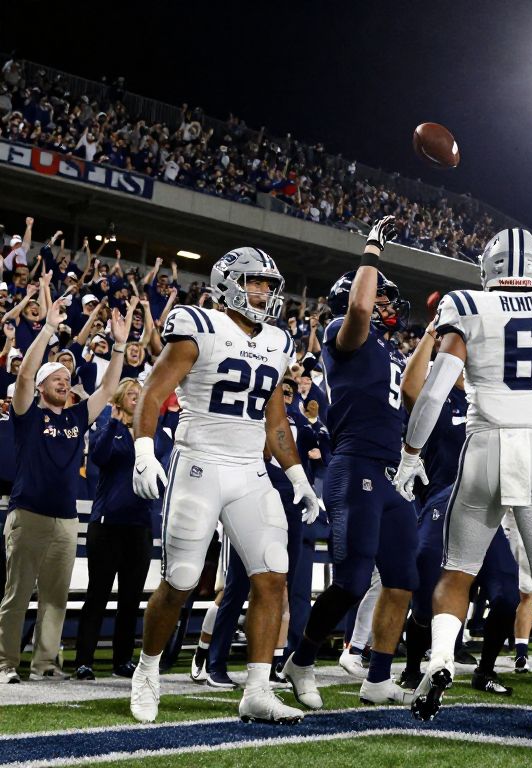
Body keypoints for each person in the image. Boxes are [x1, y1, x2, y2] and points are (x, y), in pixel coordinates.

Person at [395, 219, 532, 732]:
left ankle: (443, 658)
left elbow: (433, 392)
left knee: (457, 572)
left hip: (483, 446)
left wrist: (410, 457)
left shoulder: (467, 305)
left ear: (486, 267)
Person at [129, 247, 318, 724]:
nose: (266, 292)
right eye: (256, 282)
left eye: (270, 285)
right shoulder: (199, 326)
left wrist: (297, 475)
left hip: (248, 469)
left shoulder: (276, 340)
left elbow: (275, 417)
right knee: (182, 580)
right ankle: (147, 671)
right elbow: (153, 392)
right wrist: (144, 451)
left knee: (273, 574)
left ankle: (256, 688)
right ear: (230, 282)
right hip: (199, 464)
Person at [283, 217, 420, 709]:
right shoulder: (346, 331)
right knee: (351, 581)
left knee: (403, 579)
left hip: (386, 476)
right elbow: (361, 305)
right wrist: (372, 251)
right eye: (381, 296)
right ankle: (301, 659)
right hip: (354, 465)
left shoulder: (386, 349)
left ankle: (378, 678)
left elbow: (415, 392)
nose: (385, 306)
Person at [0, 289, 132, 684]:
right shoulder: (26, 415)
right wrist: (48, 330)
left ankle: (44, 663)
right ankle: (6, 664)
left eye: (66, 378)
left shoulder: (76, 415)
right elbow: (23, 373)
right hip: (28, 514)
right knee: (17, 595)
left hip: (65, 519)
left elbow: (108, 390)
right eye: (55, 378)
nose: (63, 381)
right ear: (40, 387)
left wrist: (121, 346)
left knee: (55, 598)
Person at [398, 319, 520, 697]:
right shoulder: (440, 396)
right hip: (442, 499)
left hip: (485, 505)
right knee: (423, 594)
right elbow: (411, 390)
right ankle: (414, 666)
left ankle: (485, 671)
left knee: (507, 596)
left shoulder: (490, 401)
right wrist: (432, 335)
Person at [74, 378, 154, 680]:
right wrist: (113, 421)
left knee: (131, 599)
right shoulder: (111, 430)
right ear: (120, 401)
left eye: (140, 395)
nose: (137, 399)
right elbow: (99, 456)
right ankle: (85, 661)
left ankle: (123, 660)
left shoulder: (150, 435)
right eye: (131, 395)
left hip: (140, 527)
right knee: (98, 595)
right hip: (107, 526)